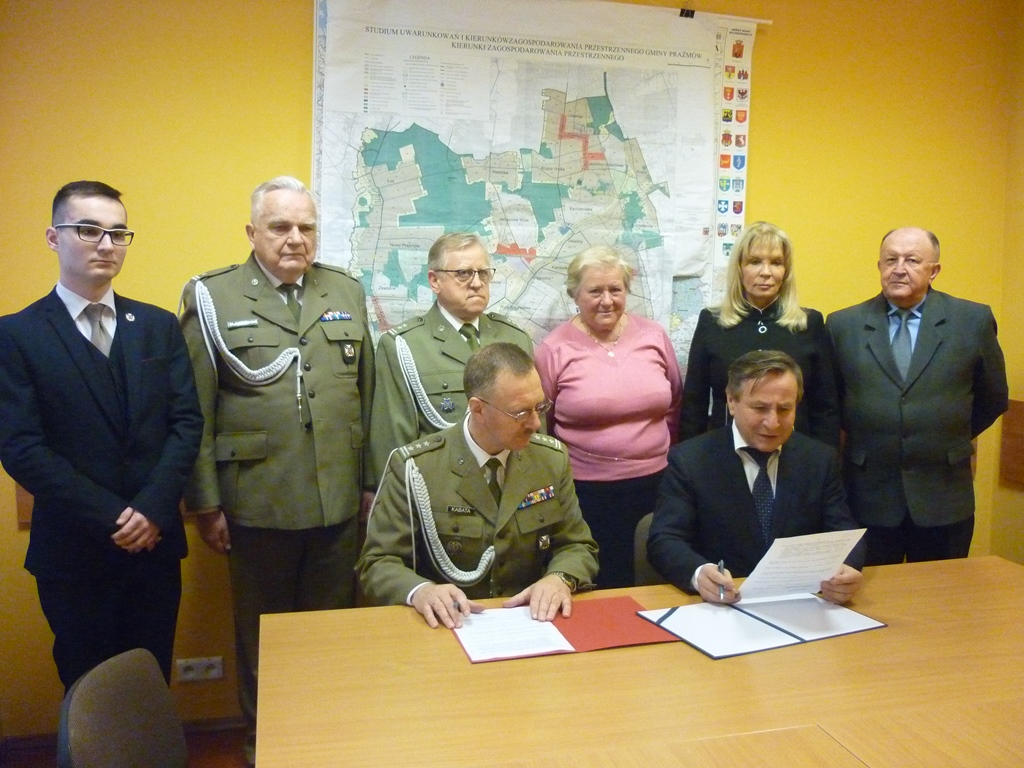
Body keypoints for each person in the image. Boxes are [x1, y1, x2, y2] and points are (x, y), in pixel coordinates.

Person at [179, 176, 373, 764]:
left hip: (337, 500)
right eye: (280, 226)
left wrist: (369, 487)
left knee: (331, 633)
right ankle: (265, 745)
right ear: (252, 232)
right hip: (256, 501)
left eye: (306, 227)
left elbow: (364, 398)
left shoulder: (345, 289)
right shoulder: (213, 297)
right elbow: (194, 408)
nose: (295, 238)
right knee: (263, 637)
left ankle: (326, 742)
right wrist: (205, 502)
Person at [0, 181, 203, 690]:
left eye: (118, 233)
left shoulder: (157, 326)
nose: (107, 244)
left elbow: (186, 423)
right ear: (54, 237)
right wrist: (114, 517)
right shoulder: (17, 335)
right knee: (89, 688)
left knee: (151, 682)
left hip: (154, 547)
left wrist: (152, 510)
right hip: (74, 552)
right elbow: (21, 447)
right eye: (89, 230)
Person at [358, 343, 599, 629]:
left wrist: (558, 579)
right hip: (447, 625)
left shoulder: (550, 459)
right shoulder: (416, 467)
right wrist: (420, 591)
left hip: (531, 622)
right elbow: (377, 563)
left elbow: (577, 545)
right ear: (478, 409)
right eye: (520, 413)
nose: (536, 423)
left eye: (539, 407)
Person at [827, 227, 1008, 566]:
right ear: (879, 266)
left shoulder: (972, 321)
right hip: (868, 495)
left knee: (941, 592)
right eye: (890, 260)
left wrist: (948, 433)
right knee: (871, 592)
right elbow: (832, 403)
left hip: (944, 495)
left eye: (912, 260)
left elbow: (994, 396)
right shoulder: (843, 325)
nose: (899, 269)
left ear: (933, 270)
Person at [647, 350, 863, 605]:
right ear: (731, 401)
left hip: (799, 603)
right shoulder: (690, 460)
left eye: (784, 409)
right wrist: (699, 573)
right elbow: (665, 539)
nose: (773, 423)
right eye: (760, 408)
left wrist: (846, 570)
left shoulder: (819, 460)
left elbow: (844, 533)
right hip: (722, 604)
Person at [534, 245, 681, 588]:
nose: (607, 301)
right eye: (595, 291)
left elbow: (674, 401)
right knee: (601, 581)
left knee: (655, 578)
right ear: (574, 295)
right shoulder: (553, 349)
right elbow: (542, 424)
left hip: (657, 483)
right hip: (587, 491)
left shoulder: (654, 336)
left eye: (615, 289)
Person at [369, 232, 533, 485]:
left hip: (510, 482)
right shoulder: (404, 346)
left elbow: (534, 427)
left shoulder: (515, 339)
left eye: (483, 273)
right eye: (463, 273)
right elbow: (393, 441)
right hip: (440, 487)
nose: (477, 283)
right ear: (434, 281)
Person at [679, 221, 839, 446]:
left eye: (776, 263)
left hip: (794, 451)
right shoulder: (712, 322)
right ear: (739, 268)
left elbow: (825, 407)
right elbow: (694, 403)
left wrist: (825, 460)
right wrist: (689, 458)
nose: (766, 272)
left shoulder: (808, 324)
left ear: (786, 271)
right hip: (725, 451)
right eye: (755, 262)